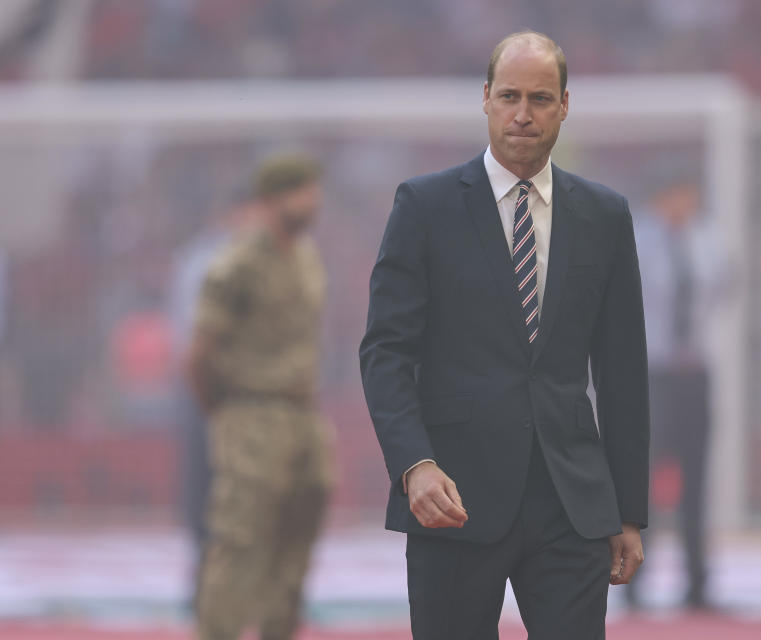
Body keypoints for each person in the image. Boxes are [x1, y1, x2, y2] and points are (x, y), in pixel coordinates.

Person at [360, 31, 650, 639]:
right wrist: (414, 464)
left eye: (541, 99)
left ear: (565, 105)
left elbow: (622, 371)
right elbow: (386, 351)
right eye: (511, 96)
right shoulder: (424, 206)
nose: (524, 114)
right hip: (452, 500)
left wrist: (628, 512)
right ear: (486, 98)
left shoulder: (605, 215)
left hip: (571, 503)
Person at [189, 154, 336, 640]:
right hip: (251, 411)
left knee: (298, 538)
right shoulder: (237, 265)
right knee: (240, 539)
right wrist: (227, 413)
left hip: (302, 412)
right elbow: (199, 354)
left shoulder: (306, 256)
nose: (313, 200)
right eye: (302, 190)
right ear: (274, 198)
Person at [627, 172, 729, 609]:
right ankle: (635, 580)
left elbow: (723, 289)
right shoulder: (637, 240)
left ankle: (698, 583)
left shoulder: (708, 240)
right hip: (652, 373)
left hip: (694, 372)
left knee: (697, 479)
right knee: (643, 480)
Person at [167, 185, 259, 608]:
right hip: (211, 392)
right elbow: (186, 332)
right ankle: (206, 575)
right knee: (204, 488)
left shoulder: (274, 261)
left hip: (257, 394)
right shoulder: (200, 261)